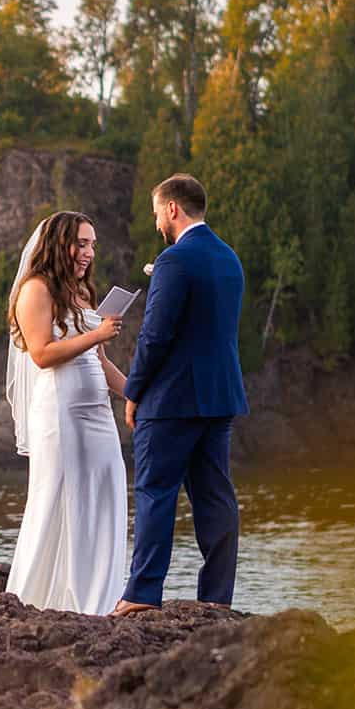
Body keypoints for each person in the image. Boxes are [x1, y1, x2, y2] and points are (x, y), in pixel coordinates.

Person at [111, 174, 248, 617]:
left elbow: (155, 336)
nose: (156, 224)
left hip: (171, 401)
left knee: (156, 493)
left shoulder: (174, 261)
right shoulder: (230, 259)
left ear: (172, 208)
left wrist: (134, 391)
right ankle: (217, 599)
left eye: (156, 214)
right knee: (216, 498)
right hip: (219, 396)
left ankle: (141, 594)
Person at [4, 211, 131, 614]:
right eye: (80, 243)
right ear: (59, 244)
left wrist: (136, 394)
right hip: (60, 413)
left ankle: (99, 597)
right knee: (61, 498)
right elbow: (42, 354)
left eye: (92, 244)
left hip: (97, 413)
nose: (87, 253)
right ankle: (39, 599)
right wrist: (97, 331)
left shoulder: (83, 294)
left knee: (105, 494)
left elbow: (100, 361)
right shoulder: (35, 291)